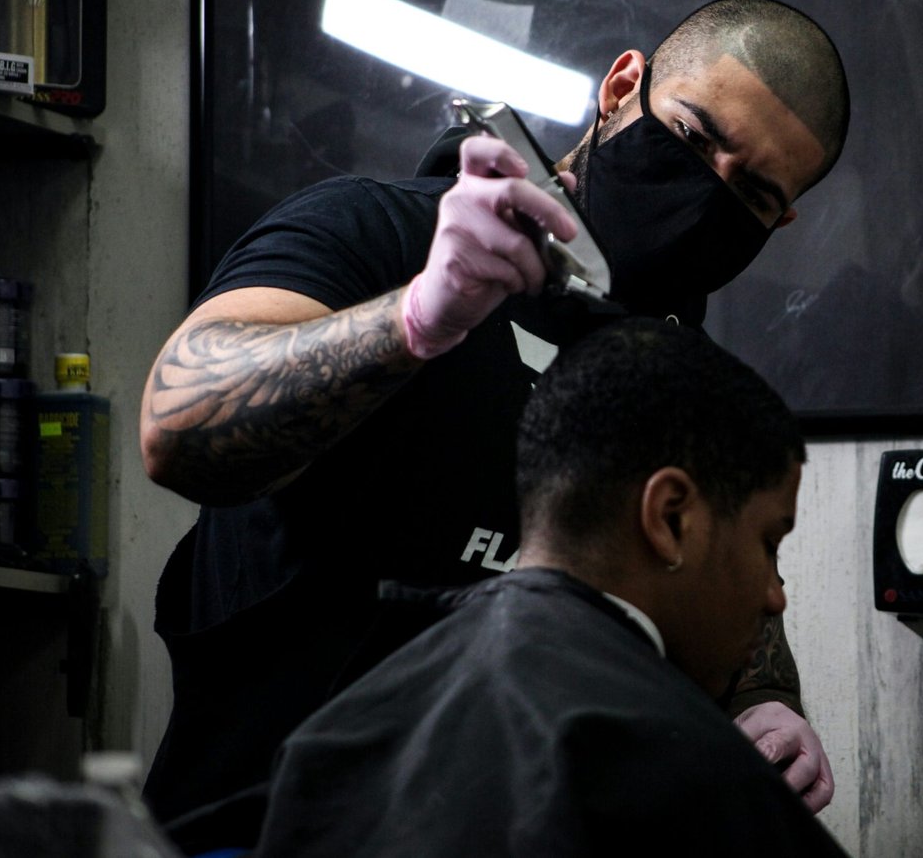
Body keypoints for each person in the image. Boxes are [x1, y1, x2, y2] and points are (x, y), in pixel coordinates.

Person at [139, 0, 850, 836]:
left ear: (784, 216)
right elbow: (177, 427)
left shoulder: (680, 381)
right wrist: (411, 321)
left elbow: (722, 583)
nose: (707, 196)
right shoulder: (378, 231)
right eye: (694, 139)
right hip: (258, 823)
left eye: (755, 193)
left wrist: (764, 700)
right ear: (623, 86)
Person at [254, 318, 847, 857]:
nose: (775, 595)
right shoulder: (695, 782)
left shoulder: (328, 740)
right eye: (768, 543)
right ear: (669, 519)